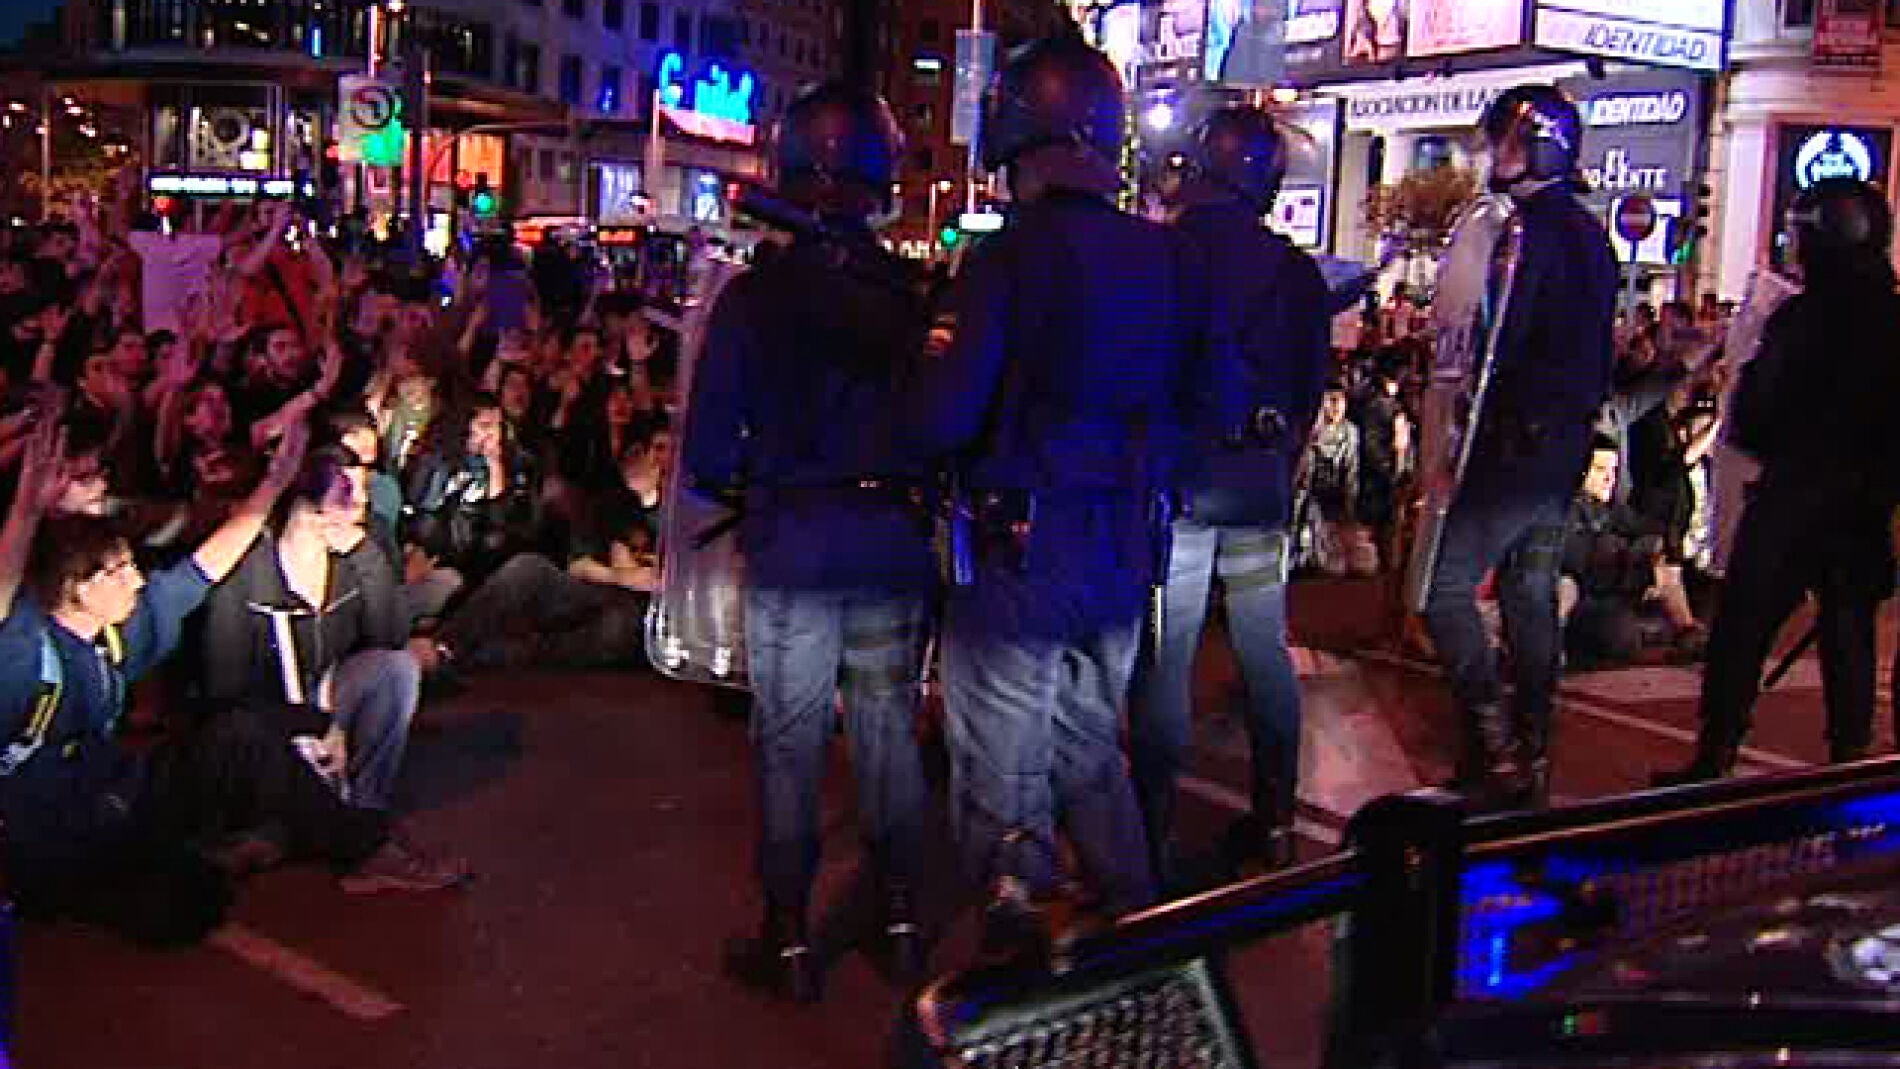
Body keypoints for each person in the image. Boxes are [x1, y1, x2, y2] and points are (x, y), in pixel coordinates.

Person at [907, 33, 1213, 950]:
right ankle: (1137, 918)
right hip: (1122, 547)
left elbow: (946, 415)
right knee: (1089, 742)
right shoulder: (1170, 258)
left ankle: (1017, 961)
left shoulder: (1007, 259)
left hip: (1021, 550)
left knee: (1001, 765)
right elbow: (1213, 400)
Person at [0, 416, 464, 947]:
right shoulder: (24, 654)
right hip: (51, 839)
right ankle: (212, 851)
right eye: (122, 570)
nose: (139, 578)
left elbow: (207, 564)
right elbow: (2, 591)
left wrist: (272, 485)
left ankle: (366, 849)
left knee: (240, 734)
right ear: (78, 589)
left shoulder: (117, 631)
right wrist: (25, 509)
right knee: (183, 907)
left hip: (116, 792)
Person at [682, 82, 936, 1002]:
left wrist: (751, 481)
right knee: (886, 734)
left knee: (788, 743)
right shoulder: (911, 295)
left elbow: (708, 451)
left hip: (794, 539)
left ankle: (789, 934)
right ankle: (902, 916)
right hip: (890, 538)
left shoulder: (755, 301)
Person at [1132, 105, 1329, 887]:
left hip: (1179, 484)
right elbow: (1312, 389)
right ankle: (1276, 819)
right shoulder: (1294, 273)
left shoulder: (1165, 254)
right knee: (1262, 648)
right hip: (1258, 488)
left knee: (1166, 657)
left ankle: (1145, 832)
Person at [1656, 178, 1900, 782]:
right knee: (1849, 632)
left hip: (1795, 493)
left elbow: (1755, 413)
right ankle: (1849, 759)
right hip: (1863, 501)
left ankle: (1716, 751)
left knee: (1743, 626)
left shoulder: (1799, 316)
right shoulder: (1892, 317)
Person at [1418, 85, 1617, 809]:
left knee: (1443, 594)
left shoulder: (1525, 232)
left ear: (1537, 146)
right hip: (1560, 450)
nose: (1493, 155)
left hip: (1513, 450)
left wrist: (1453, 447)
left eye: (1504, 141)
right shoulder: (1591, 234)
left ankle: (1497, 741)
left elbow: (1495, 349)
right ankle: (1532, 752)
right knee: (1531, 596)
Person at [193, 444, 419, 811]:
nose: (363, 501)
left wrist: (367, 559)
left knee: (398, 669)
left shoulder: (355, 560)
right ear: (308, 509)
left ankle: (365, 808)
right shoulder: (248, 573)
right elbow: (225, 687)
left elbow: (391, 638)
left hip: (326, 691)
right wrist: (311, 724)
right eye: (349, 492)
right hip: (264, 710)